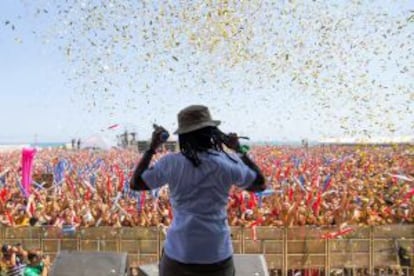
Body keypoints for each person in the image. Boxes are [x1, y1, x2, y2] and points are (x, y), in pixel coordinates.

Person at [130, 105, 266, 276]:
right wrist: (238, 149)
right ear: (212, 132)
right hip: (217, 253)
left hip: (179, 252)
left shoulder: (172, 163)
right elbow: (260, 183)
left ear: (183, 136)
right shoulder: (227, 162)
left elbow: (136, 183)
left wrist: (152, 148)